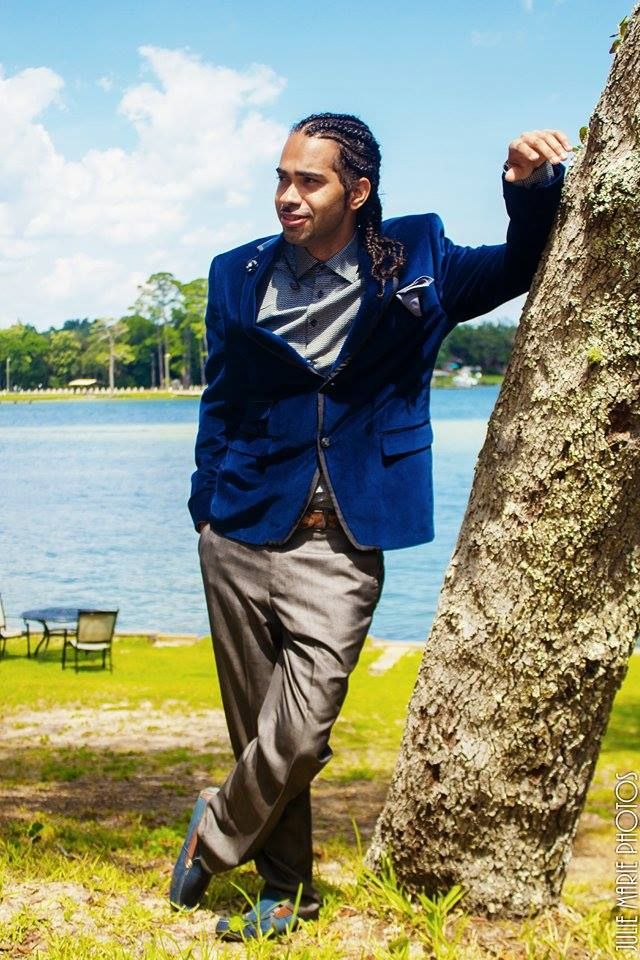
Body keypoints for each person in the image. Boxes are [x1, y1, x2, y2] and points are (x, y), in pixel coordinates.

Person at [170, 112, 569, 939]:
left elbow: (521, 264)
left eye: (308, 181)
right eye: (281, 178)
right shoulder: (235, 273)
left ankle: (215, 831)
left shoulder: (419, 256)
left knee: (300, 731)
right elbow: (222, 397)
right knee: (258, 728)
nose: (288, 195)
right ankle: (287, 893)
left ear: (357, 191)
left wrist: (528, 188)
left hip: (343, 537)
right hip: (239, 527)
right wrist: (206, 506)